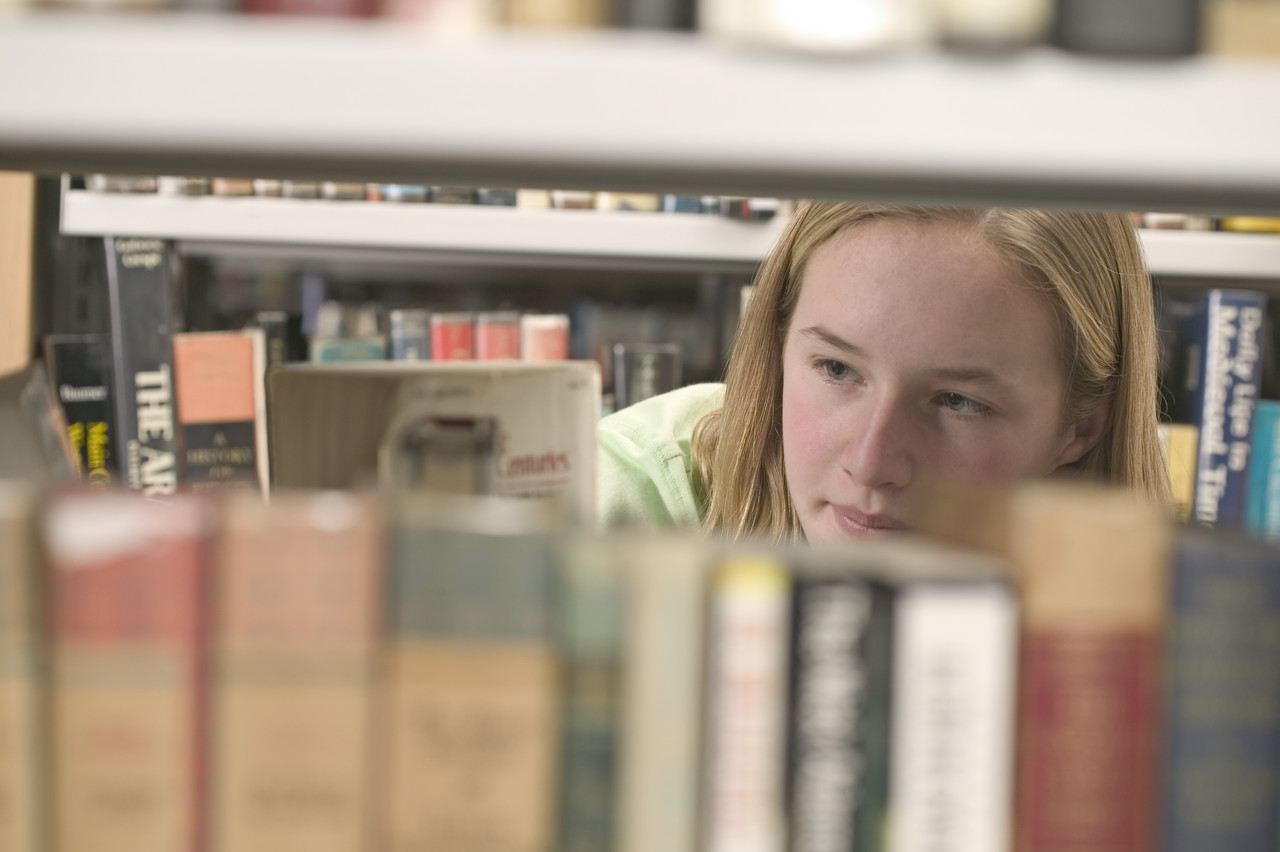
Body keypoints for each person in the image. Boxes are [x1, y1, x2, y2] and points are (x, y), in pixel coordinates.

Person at [597, 200, 1173, 545]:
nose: (872, 464)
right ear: (775, 346)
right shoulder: (616, 505)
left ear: (1083, 425)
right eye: (836, 368)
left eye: (957, 401)